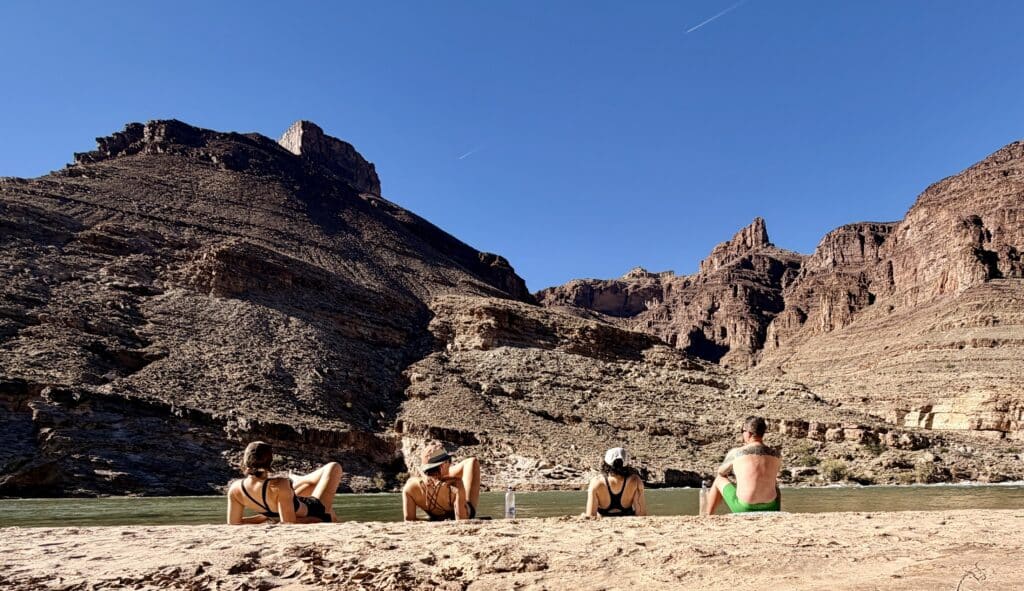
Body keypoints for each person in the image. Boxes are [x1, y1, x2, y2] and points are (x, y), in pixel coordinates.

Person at [226, 441, 343, 524]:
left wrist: (265, 518)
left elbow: (234, 522)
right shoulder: (279, 484)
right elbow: (288, 522)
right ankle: (299, 479)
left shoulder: (235, 488)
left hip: (288, 504)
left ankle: (300, 480)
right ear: (270, 462)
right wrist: (320, 519)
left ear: (245, 461)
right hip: (316, 509)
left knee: (309, 486)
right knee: (334, 467)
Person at [703, 416, 782, 515]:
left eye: (742, 431)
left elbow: (721, 472)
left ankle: (708, 515)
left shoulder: (737, 452)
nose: (742, 434)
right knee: (775, 486)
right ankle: (777, 512)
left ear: (749, 433)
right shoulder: (777, 455)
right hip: (771, 506)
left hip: (745, 507)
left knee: (719, 479)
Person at [402, 444, 481, 521]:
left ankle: (437, 474)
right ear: (442, 466)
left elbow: (409, 519)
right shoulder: (456, 485)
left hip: (435, 515)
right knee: (473, 462)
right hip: (465, 510)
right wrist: (458, 484)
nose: (450, 464)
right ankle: (440, 474)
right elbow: (461, 520)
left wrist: (428, 521)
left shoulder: (409, 487)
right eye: (448, 461)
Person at [583, 447, 647, 517]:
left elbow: (590, 516)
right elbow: (641, 514)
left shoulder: (596, 482)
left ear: (606, 463)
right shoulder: (635, 481)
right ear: (625, 463)